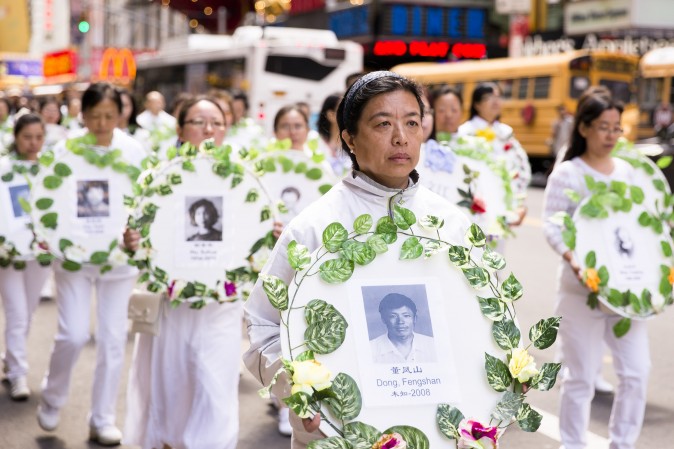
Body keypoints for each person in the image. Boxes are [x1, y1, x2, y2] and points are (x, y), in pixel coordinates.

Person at [243, 71, 471, 449]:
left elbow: (476, 322)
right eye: (383, 124)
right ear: (349, 137)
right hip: (337, 431)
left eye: (412, 122)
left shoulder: (452, 223)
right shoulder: (313, 229)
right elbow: (261, 325)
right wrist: (300, 391)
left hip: (433, 429)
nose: (401, 137)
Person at [124, 96, 243, 449]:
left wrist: (271, 230)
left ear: (226, 128)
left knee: (215, 387)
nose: (209, 130)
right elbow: (136, 234)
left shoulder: (245, 178)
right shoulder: (158, 177)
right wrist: (131, 237)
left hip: (222, 302)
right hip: (172, 301)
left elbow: (256, 231)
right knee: (171, 388)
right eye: (198, 122)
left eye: (217, 123)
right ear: (179, 129)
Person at [36, 83, 146, 446]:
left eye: (109, 116)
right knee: (73, 333)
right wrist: (49, 232)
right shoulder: (64, 151)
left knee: (114, 339)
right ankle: (52, 397)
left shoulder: (134, 152)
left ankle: (102, 418)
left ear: (121, 115)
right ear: (81, 115)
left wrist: (138, 235)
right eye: (94, 116)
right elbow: (45, 198)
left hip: (119, 261)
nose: (102, 123)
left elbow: (148, 204)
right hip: (73, 258)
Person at [542, 88, 649, 449]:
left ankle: (623, 442)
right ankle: (572, 444)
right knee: (581, 377)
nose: (611, 135)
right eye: (603, 127)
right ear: (584, 128)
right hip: (580, 292)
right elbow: (553, 226)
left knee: (636, 373)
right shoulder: (568, 173)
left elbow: (644, 226)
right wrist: (574, 261)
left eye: (616, 128)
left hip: (627, 293)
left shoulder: (631, 173)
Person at [0, 114, 51, 400]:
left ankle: (10, 359)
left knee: (28, 311)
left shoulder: (51, 169)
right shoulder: (3, 168)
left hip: (39, 252)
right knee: (17, 312)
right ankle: (18, 373)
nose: (33, 143)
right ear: (16, 137)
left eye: (38, 137)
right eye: (27, 137)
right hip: (8, 253)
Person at [458, 82, 531, 226]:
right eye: (488, 97)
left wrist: (518, 201)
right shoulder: (465, 133)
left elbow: (521, 166)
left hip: (502, 203)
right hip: (474, 203)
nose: (495, 101)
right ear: (476, 104)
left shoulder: (506, 133)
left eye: (498, 96)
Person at [370, 293, 436, 364]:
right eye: (393, 316)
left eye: (406, 316)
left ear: (415, 319)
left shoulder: (433, 345)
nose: (400, 322)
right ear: (383, 319)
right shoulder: (370, 349)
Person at [317, 93, 350, 176]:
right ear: (331, 115)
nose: (349, 114)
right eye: (343, 109)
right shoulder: (317, 143)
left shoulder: (353, 143)